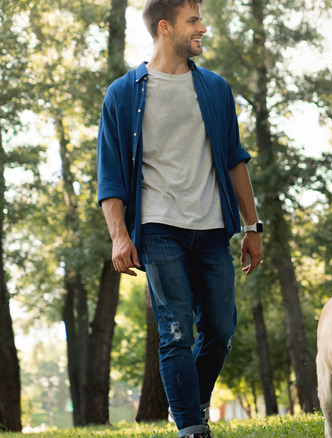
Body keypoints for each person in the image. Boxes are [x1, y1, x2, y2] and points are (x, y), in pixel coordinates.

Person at [96, 1, 263, 437]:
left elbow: (234, 160)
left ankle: (189, 403)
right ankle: (191, 427)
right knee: (175, 332)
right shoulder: (123, 93)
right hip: (158, 226)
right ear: (165, 27)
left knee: (221, 330)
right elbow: (110, 174)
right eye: (194, 21)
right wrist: (119, 236)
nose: (203, 29)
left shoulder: (214, 88)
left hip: (211, 226)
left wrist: (252, 226)